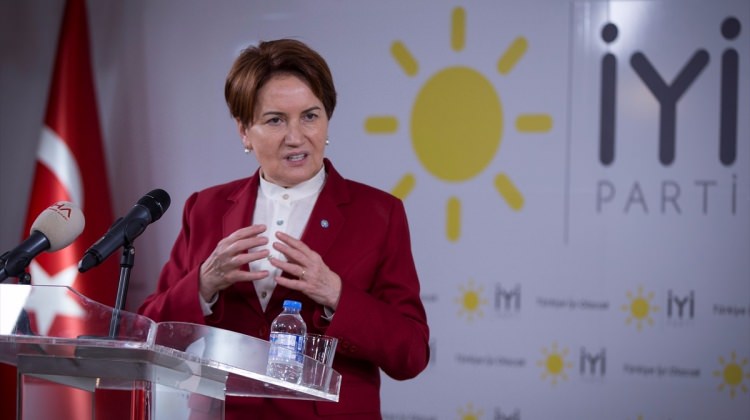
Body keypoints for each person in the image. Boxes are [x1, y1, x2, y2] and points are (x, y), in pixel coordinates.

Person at [138, 38, 430, 419]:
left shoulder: (378, 214)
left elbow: (412, 353)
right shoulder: (205, 209)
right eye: (275, 120)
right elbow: (151, 332)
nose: (296, 137)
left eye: (310, 116)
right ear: (244, 131)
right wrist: (203, 284)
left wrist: (336, 293)